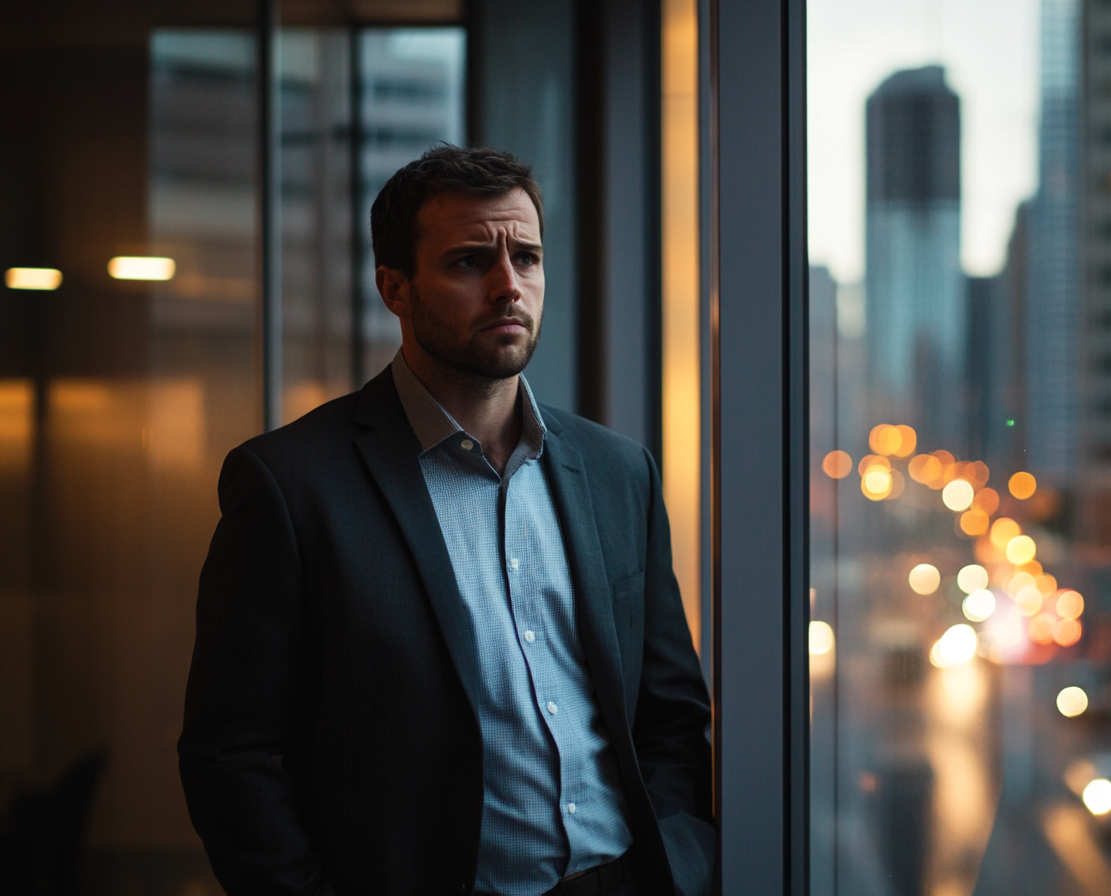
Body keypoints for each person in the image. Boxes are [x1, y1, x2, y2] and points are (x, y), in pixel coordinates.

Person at [178, 145, 714, 896]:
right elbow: (230, 755)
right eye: (469, 262)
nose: (508, 286)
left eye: (526, 258)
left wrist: (678, 863)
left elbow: (671, 714)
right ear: (394, 287)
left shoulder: (618, 471)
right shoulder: (290, 485)